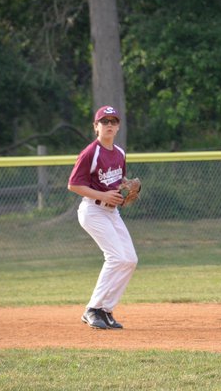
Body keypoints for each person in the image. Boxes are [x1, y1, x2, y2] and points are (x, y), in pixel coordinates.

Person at [67, 105, 138, 330]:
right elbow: (73, 184)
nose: (109, 125)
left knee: (130, 260)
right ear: (95, 127)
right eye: (104, 121)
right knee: (116, 257)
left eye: (113, 121)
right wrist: (103, 195)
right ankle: (92, 309)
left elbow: (118, 182)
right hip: (92, 210)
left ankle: (105, 310)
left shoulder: (120, 153)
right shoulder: (91, 152)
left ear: (118, 127)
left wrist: (125, 191)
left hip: (111, 211)